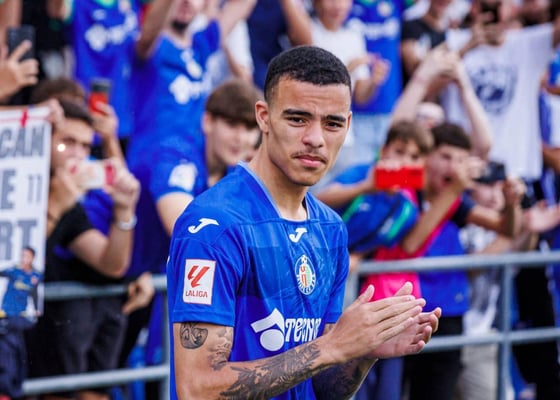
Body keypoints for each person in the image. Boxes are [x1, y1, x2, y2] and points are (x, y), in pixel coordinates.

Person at [166, 45, 441, 399]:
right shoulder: (215, 226)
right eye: (298, 119)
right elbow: (197, 388)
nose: (315, 139)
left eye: (332, 123)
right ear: (263, 117)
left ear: (348, 125)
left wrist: (362, 351)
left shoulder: (330, 229)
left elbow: (323, 388)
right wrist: (330, 347)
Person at [121, 78, 262, 398]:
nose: (241, 137)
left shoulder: (236, 173)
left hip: (155, 286)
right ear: (207, 121)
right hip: (114, 276)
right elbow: (184, 228)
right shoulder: (176, 154)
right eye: (231, 124)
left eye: (249, 127)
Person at [24, 98, 141, 400]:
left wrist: (124, 213)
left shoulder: (71, 203)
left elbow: (111, 264)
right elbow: (11, 266)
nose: (77, 154)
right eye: (67, 142)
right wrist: (55, 206)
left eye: (86, 146)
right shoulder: (18, 185)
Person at [0, 246, 42, 400]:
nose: (24, 258)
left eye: (27, 256)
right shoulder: (13, 270)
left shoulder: (35, 275)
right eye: (23, 255)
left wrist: (36, 310)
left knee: (16, 364)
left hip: (19, 320)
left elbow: (35, 293)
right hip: (4, 316)